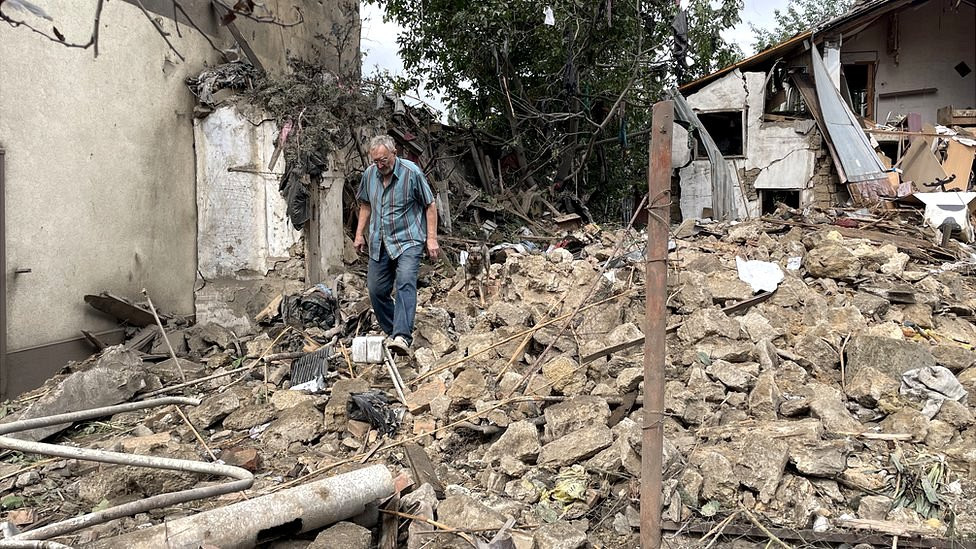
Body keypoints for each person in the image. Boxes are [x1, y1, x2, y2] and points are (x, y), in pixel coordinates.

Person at [354, 135, 440, 356]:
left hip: (408, 240)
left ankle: (402, 335)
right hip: (379, 241)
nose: (380, 165)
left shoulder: (412, 173)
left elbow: (430, 205)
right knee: (376, 290)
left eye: (383, 159)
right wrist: (359, 235)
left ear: (394, 153)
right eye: (376, 161)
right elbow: (365, 204)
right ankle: (394, 332)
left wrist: (431, 238)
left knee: (404, 282)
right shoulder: (369, 175)